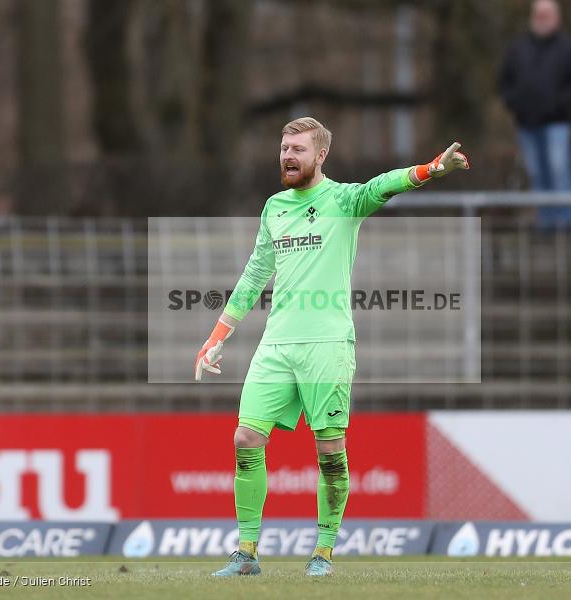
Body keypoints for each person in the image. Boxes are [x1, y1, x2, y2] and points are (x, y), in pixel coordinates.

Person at [195, 117, 469, 576]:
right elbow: (255, 274)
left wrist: (430, 169)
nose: (287, 155)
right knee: (245, 437)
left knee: (328, 449)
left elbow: (382, 186)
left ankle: (323, 552)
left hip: (328, 345)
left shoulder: (342, 200)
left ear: (320, 155)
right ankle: (246, 552)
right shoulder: (274, 207)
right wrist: (217, 336)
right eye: (284, 147)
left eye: (297, 149)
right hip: (277, 344)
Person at [499, 0, 571, 230]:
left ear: (557, 18)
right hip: (527, 123)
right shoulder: (518, 48)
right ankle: (547, 223)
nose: (542, 18)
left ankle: (567, 223)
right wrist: (515, 104)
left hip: (557, 122)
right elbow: (504, 81)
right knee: (537, 175)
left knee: (560, 171)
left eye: (546, 14)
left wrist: (561, 105)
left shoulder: (570, 48)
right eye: (538, 14)